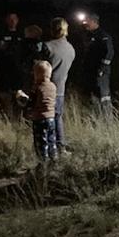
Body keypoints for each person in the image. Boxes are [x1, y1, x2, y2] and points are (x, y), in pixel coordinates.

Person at [45, 16, 76, 152]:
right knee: (58, 117)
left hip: (46, 88)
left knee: (46, 119)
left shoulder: (48, 47)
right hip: (61, 88)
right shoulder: (70, 48)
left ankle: (50, 147)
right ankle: (60, 145)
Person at [17, 60, 58, 162]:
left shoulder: (37, 88)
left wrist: (22, 98)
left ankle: (43, 162)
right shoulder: (53, 87)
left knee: (41, 143)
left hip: (40, 119)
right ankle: (54, 159)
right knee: (51, 140)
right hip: (51, 118)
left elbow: (31, 103)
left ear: (37, 75)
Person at [81, 13, 113, 118]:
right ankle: (96, 119)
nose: (85, 24)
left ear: (94, 22)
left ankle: (107, 121)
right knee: (93, 97)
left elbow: (109, 53)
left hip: (100, 73)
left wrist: (102, 69)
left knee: (103, 97)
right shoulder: (88, 36)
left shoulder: (103, 36)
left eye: (87, 21)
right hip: (90, 71)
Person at [0, 11, 22, 115]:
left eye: (14, 19)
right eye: (10, 19)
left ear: (17, 20)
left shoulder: (21, 35)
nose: (12, 21)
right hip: (4, 70)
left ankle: (18, 117)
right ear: (6, 21)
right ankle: (4, 117)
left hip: (18, 71)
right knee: (4, 96)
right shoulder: (1, 34)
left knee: (18, 96)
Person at [18, 24, 50, 91]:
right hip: (41, 73)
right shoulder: (42, 45)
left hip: (27, 73)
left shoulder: (24, 44)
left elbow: (20, 58)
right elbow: (46, 56)